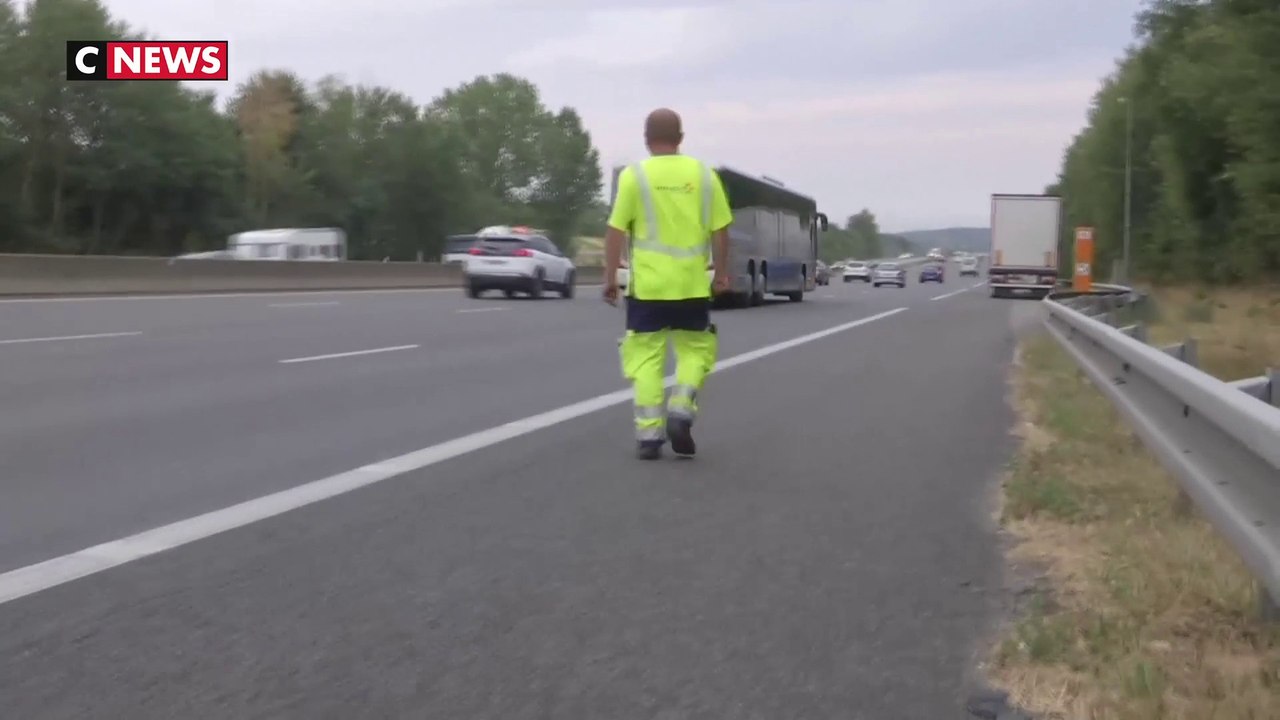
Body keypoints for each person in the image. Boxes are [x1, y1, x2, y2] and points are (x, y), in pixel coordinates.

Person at [602, 108, 733, 460]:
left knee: (646, 360)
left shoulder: (635, 176)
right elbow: (721, 231)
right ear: (681, 138)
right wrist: (721, 274)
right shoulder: (704, 176)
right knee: (695, 351)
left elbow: (615, 231)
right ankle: (680, 408)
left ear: (646, 138)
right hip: (691, 285)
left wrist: (610, 277)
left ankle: (648, 437)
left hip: (648, 288)